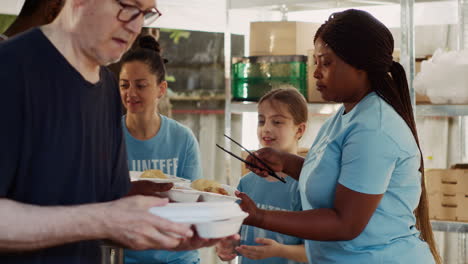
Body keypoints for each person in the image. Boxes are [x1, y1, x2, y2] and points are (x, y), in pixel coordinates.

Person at [0, 0, 227, 263]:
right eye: (129, 6)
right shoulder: (11, 71)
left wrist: (168, 232)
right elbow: (98, 219)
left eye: (145, 13)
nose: (135, 26)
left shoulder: (107, 87)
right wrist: (103, 220)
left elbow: (98, 215)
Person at [237, 9, 442, 264]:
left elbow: (346, 224)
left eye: (326, 63)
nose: (315, 73)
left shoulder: (374, 127)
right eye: (315, 62)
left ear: (360, 65)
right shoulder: (346, 114)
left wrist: (259, 217)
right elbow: (334, 178)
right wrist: (286, 163)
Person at [119, 35, 203, 264]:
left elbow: (194, 202)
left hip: (178, 256)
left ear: (161, 89)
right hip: (126, 256)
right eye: (125, 85)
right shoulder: (108, 137)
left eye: (141, 85)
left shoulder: (182, 138)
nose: (131, 93)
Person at [216, 88, 309, 264]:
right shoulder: (246, 182)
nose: (266, 128)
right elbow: (234, 234)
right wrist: (226, 245)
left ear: (299, 130)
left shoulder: (305, 184)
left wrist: (280, 251)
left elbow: (319, 252)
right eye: (261, 121)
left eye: (277, 122)